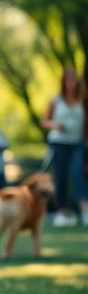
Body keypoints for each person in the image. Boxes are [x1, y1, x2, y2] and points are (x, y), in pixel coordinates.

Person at [41, 67, 87, 227]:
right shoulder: (55, 100)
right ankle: (62, 212)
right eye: (68, 81)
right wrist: (55, 125)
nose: (70, 84)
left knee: (78, 172)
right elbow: (44, 121)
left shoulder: (83, 99)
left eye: (73, 80)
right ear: (63, 82)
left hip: (77, 143)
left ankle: (85, 209)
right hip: (58, 142)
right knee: (61, 176)